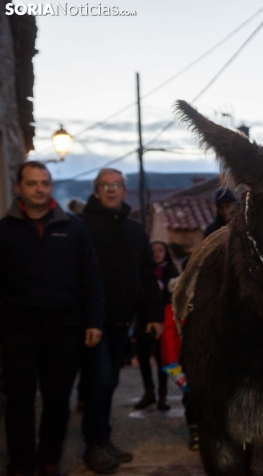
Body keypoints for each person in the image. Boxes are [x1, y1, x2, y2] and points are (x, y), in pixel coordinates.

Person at [0, 161, 103, 476]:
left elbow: (91, 277)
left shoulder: (73, 228)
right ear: (19, 187)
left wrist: (93, 321)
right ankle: (22, 463)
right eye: (32, 183)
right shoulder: (4, 231)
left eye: (44, 182)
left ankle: (48, 459)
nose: (39, 188)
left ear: (51, 186)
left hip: (64, 329)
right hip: (17, 331)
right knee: (18, 402)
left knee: (58, 401)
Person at [79, 168, 164, 474]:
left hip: (122, 321)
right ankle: (94, 445)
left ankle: (103, 440)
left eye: (116, 185)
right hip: (94, 323)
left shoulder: (134, 230)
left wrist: (153, 315)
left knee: (109, 382)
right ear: (97, 190)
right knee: (98, 382)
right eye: (105, 185)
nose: (111, 190)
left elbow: (146, 275)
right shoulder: (83, 226)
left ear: (124, 191)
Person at [133, 241, 179, 410]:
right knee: (143, 357)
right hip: (144, 320)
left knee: (163, 359)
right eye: (153, 251)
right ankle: (149, 392)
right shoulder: (143, 271)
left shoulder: (172, 273)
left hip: (165, 322)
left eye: (161, 250)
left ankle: (162, 395)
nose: (157, 254)